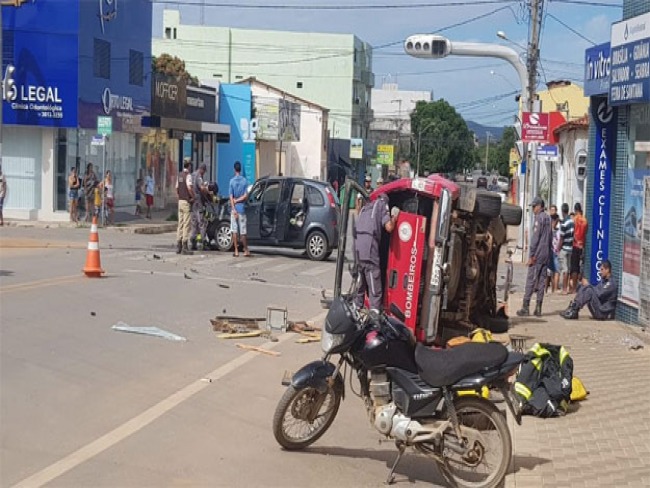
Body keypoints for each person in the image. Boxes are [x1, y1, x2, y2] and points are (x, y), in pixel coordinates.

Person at [354, 193, 399, 311]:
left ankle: (356, 309)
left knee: (360, 284)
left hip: (358, 249)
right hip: (369, 250)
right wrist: (394, 217)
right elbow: (389, 227)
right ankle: (374, 315)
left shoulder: (365, 207)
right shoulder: (382, 205)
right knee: (375, 289)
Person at [517, 196, 552, 317]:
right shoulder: (548, 218)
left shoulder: (539, 219)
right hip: (546, 253)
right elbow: (550, 237)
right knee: (542, 281)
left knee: (531, 280)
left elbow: (535, 238)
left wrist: (531, 255)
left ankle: (525, 307)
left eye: (534, 207)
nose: (533, 209)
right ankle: (538, 308)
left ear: (539, 206)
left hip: (537, 254)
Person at [229, 161, 250, 257]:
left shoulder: (232, 181)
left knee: (234, 230)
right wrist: (238, 201)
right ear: (240, 169)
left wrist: (233, 208)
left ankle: (236, 250)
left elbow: (230, 197)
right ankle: (245, 250)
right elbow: (246, 196)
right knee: (243, 231)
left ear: (234, 169)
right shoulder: (245, 181)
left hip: (234, 210)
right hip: (242, 208)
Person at [175, 161, 194, 255]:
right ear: (189, 166)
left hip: (180, 201)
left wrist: (179, 196)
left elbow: (177, 188)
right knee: (186, 224)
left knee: (180, 224)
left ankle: (178, 245)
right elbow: (189, 188)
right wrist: (193, 197)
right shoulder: (188, 176)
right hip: (186, 201)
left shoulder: (179, 175)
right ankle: (185, 246)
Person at [190, 163, 209, 250]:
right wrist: (206, 190)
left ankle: (193, 240)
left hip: (193, 202)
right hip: (198, 202)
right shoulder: (199, 176)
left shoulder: (192, 175)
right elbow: (201, 188)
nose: (204, 173)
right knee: (201, 222)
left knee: (194, 222)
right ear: (202, 170)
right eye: (204, 171)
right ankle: (202, 241)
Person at [570, 202, 588, 293]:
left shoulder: (575, 219)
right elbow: (585, 233)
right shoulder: (585, 220)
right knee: (581, 265)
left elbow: (572, 232)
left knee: (574, 267)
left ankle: (574, 287)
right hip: (582, 245)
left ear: (575, 209)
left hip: (575, 244)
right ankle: (578, 285)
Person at [558, 203, 574, 295]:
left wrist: (557, 248)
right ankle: (567, 287)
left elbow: (561, 238)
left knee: (564, 270)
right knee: (567, 269)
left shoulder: (563, 223)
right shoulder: (572, 222)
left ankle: (564, 289)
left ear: (562, 211)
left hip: (564, 248)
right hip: (570, 248)